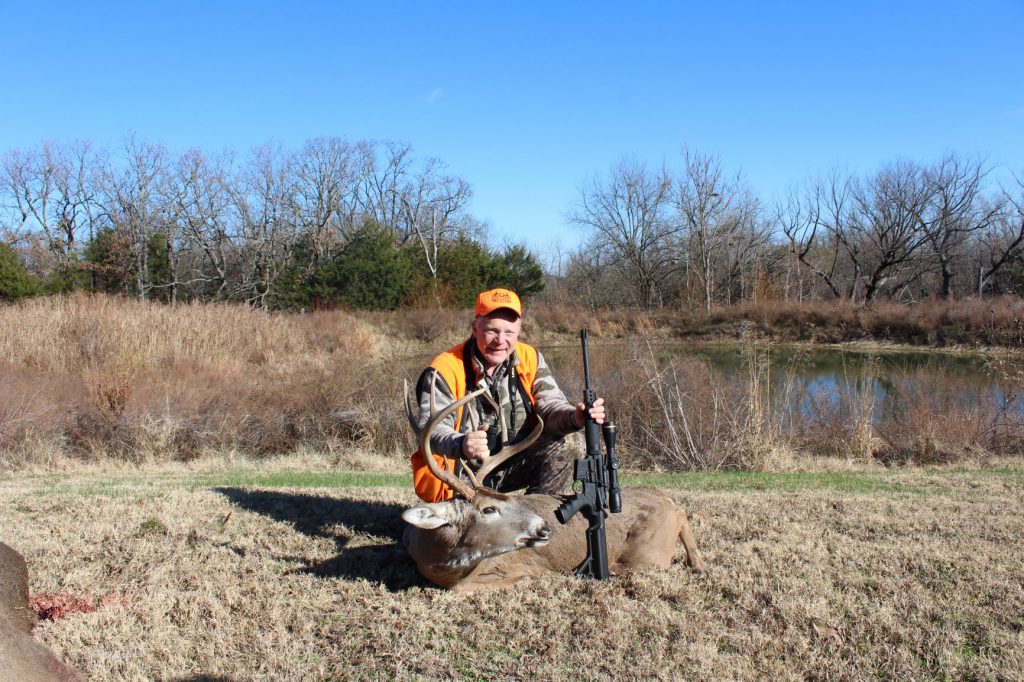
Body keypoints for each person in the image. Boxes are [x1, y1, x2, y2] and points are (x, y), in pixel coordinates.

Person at [410, 288, 605, 502]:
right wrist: (462, 444)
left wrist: (574, 417)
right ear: (475, 328)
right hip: (463, 472)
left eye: (509, 333)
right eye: (492, 331)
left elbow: (549, 406)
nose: (500, 340)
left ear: (519, 331)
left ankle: (536, 515)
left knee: (571, 442)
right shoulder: (445, 369)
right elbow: (432, 431)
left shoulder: (529, 358)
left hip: (513, 462)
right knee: (467, 531)